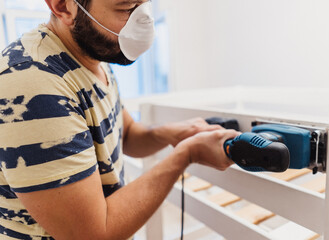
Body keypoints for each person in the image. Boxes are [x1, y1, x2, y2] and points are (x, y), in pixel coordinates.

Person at [0, 0, 239, 239]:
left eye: (146, 5)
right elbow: (93, 234)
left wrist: (170, 133)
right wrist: (186, 154)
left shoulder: (92, 57)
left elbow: (125, 134)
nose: (144, 20)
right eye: (127, 8)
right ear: (63, 7)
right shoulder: (33, 83)